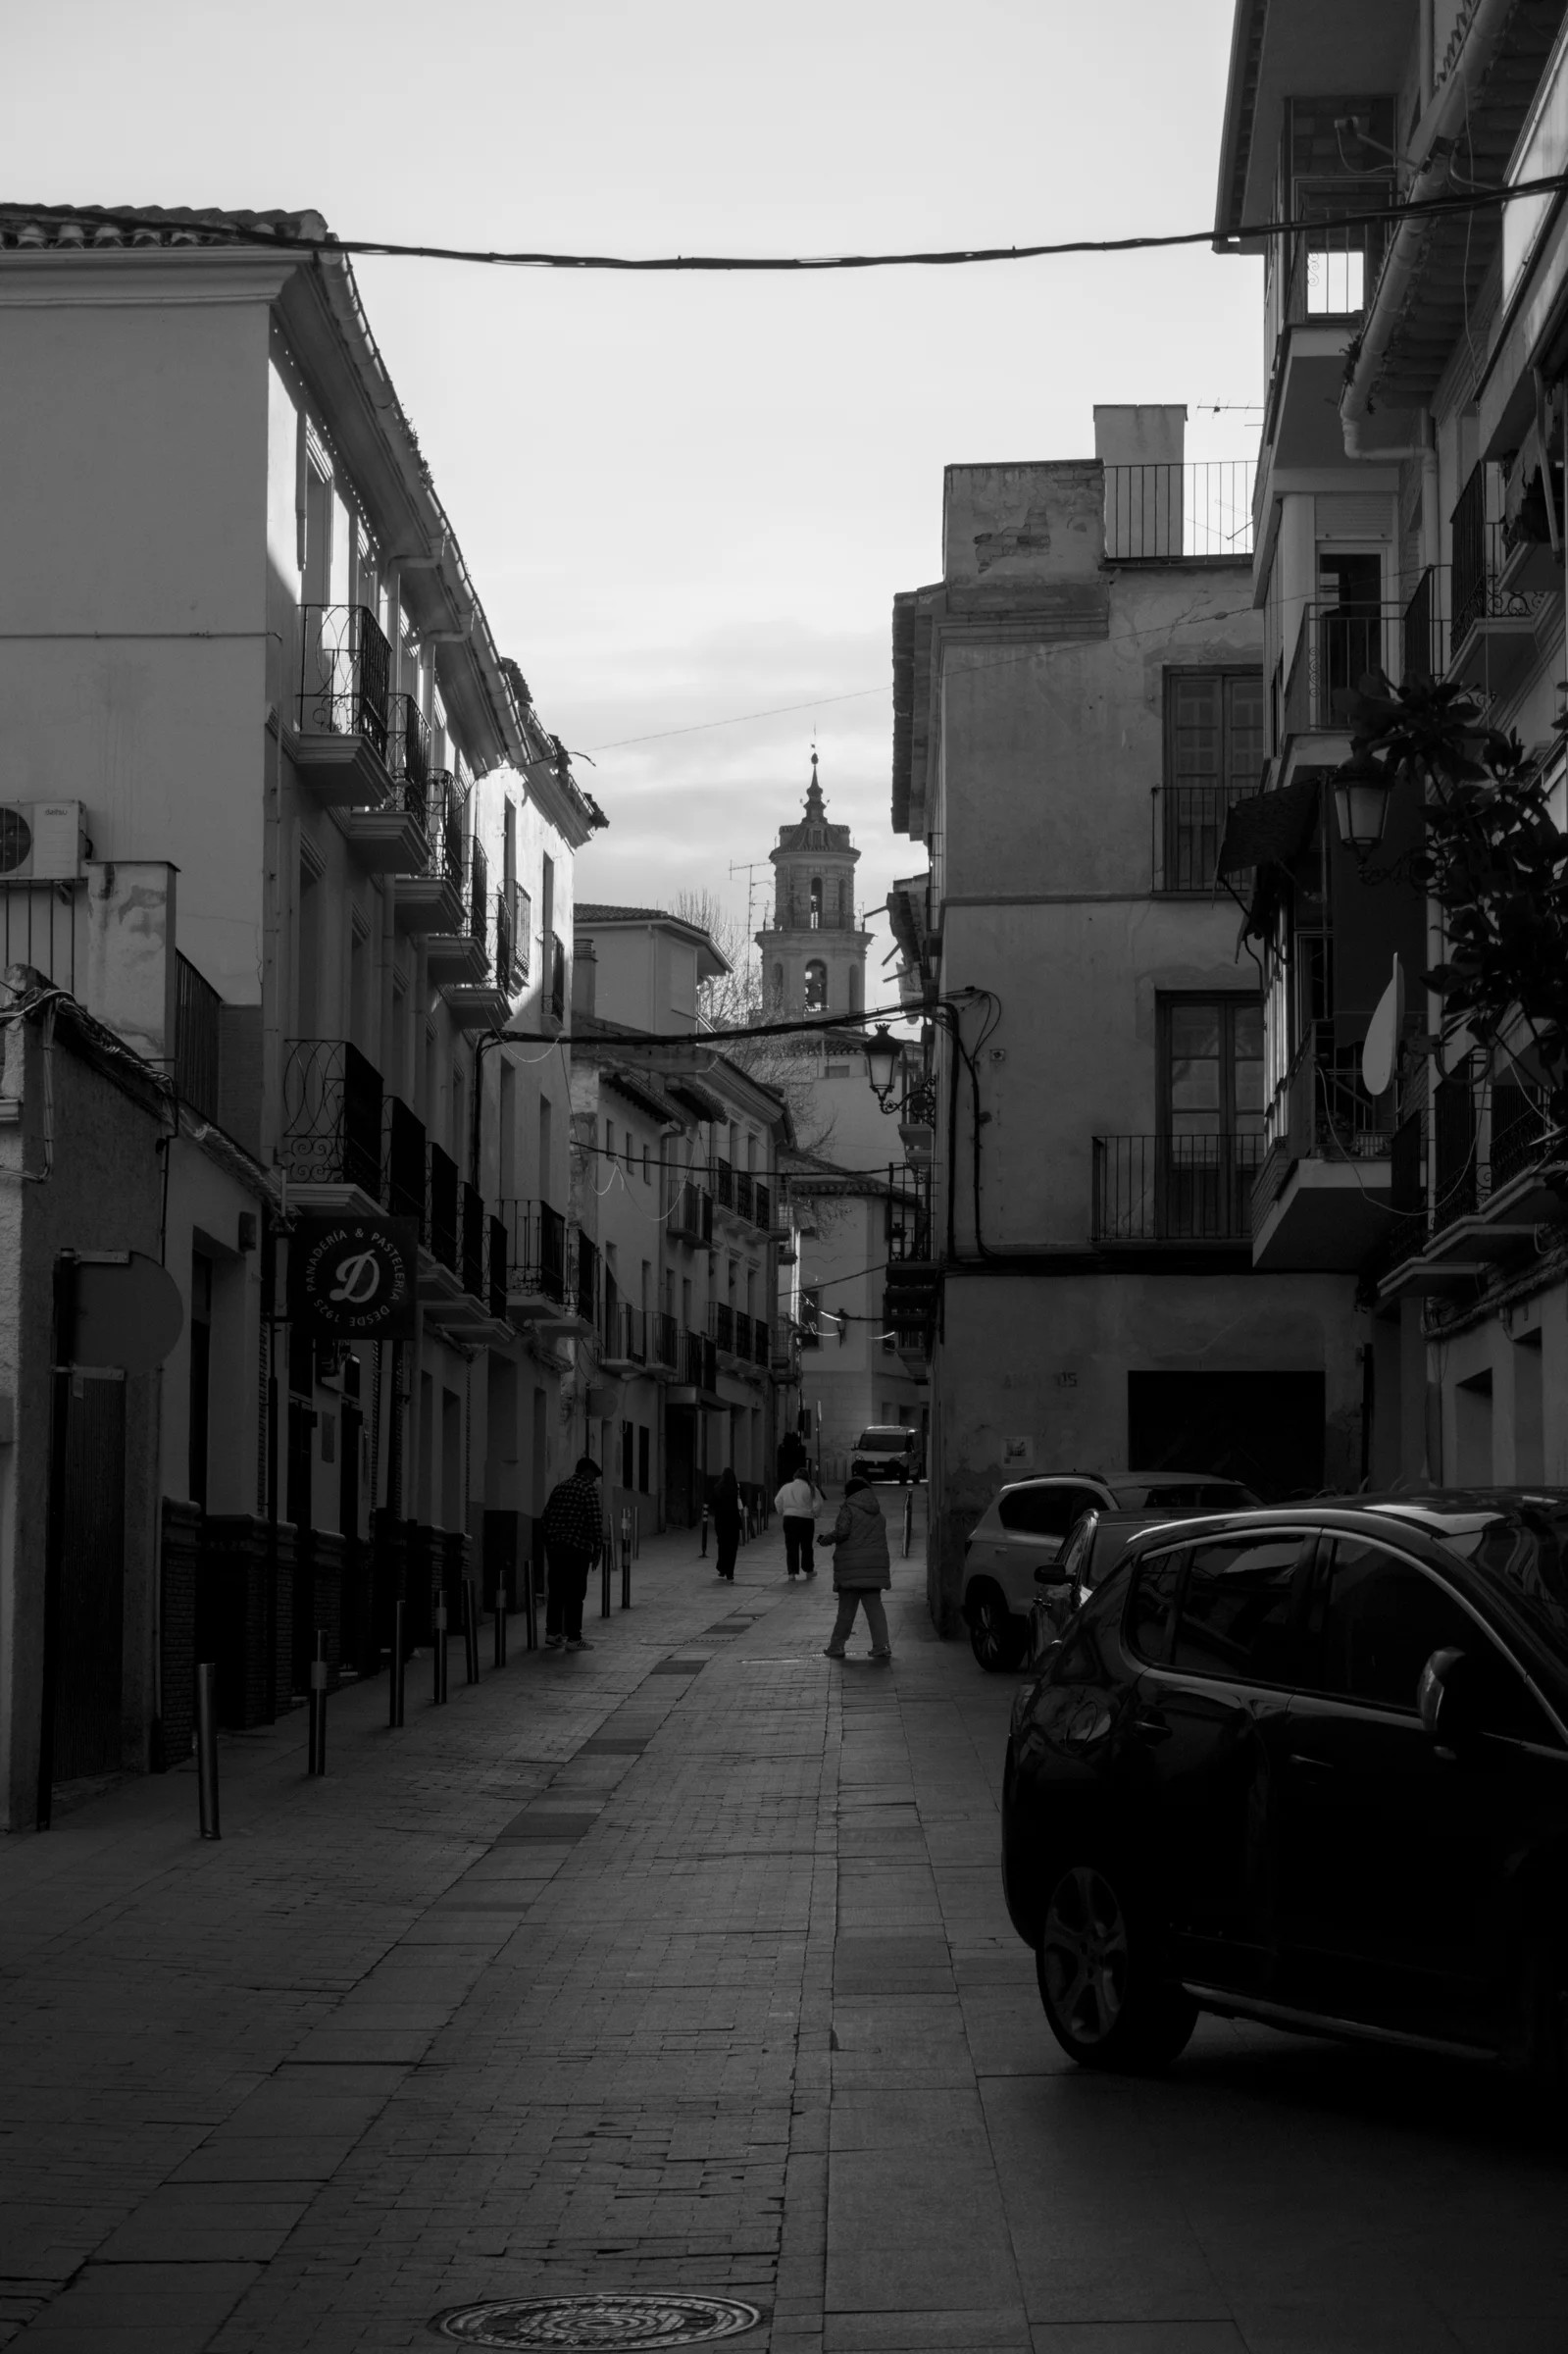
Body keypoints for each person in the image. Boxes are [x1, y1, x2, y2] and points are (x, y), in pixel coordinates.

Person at [820, 1475, 892, 1662]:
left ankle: (837, 1646)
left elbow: (842, 1532)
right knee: (875, 1608)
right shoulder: (877, 1512)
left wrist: (825, 1539)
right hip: (874, 1567)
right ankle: (881, 1645)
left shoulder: (849, 1510)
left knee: (846, 1610)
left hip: (852, 1566)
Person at [541, 1456, 604, 1651]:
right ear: (586, 1471)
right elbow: (595, 1522)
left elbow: (546, 1517)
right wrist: (597, 1551)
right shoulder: (588, 1490)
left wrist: (550, 1542)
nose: (594, 1480)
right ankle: (574, 1637)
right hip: (577, 1549)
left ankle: (552, 1633)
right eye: (594, 1476)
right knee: (576, 1594)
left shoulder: (559, 1488)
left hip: (556, 1549)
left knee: (557, 1591)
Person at [775, 1464, 824, 1579]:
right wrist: (815, 1514)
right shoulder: (811, 1488)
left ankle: (792, 1572)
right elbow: (818, 1503)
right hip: (806, 1519)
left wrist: (782, 1511)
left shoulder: (786, 1487)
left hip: (789, 1518)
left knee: (791, 1545)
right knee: (806, 1546)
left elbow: (777, 1500)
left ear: (795, 1476)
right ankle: (808, 1570)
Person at [712, 1465, 742, 1582]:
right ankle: (730, 1572)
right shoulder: (737, 1489)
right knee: (732, 1548)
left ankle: (722, 1568)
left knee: (722, 1545)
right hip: (733, 1521)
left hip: (721, 1521)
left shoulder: (718, 1488)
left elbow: (712, 1503)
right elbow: (743, 1504)